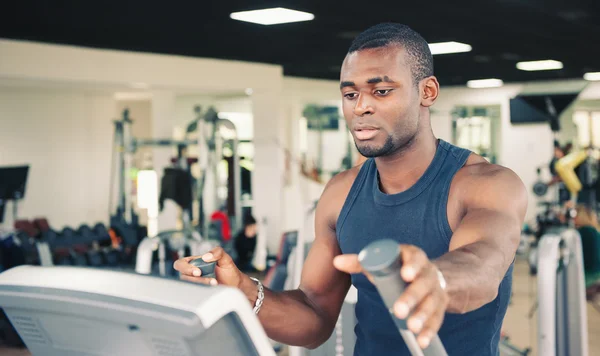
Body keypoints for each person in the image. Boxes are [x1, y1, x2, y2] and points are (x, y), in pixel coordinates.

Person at [174, 23, 527, 355]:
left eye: (381, 91)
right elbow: (314, 316)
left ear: (427, 92)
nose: (361, 106)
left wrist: (436, 278)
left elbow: (483, 265)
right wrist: (242, 291)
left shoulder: (486, 184)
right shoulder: (341, 193)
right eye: (350, 93)